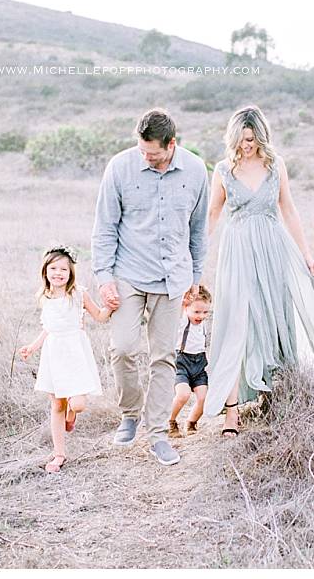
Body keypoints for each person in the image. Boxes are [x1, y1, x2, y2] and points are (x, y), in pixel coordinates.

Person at [202, 105, 314, 436]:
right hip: (237, 253)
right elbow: (212, 213)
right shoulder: (223, 169)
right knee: (236, 324)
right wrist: (194, 255)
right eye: (241, 139)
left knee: (275, 319)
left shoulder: (275, 165)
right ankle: (231, 413)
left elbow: (289, 210)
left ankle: (274, 396)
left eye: (251, 139)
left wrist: (306, 253)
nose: (246, 145)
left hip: (273, 249)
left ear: (261, 137)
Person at [91, 108, 209, 466]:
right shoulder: (119, 167)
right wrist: (103, 277)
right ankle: (130, 413)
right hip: (128, 273)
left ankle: (157, 433)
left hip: (173, 279)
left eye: (154, 153)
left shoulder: (196, 171)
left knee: (163, 358)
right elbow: (105, 226)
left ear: (172, 144)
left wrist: (195, 278)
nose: (147, 158)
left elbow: (199, 231)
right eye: (142, 151)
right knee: (123, 348)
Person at [19, 246, 112, 473]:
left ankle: (72, 414)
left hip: (75, 353)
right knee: (57, 403)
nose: (58, 273)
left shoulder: (78, 294)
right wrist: (32, 347)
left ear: (71, 273)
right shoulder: (45, 297)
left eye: (63, 269)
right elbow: (48, 329)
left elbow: (99, 316)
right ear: (45, 271)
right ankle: (59, 454)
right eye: (53, 268)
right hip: (54, 355)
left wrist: (110, 307)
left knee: (77, 404)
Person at [168, 285, 213, 438]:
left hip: (199, 363)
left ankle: (192, 422)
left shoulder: (204, 324)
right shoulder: (182, 321)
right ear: (186, 308)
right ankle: (171, 421)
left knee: (204, 398)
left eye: (205, 312)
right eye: (197, 312)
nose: (201, 316)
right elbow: (178, 309)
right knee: (183, 395)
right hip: (182, 362)